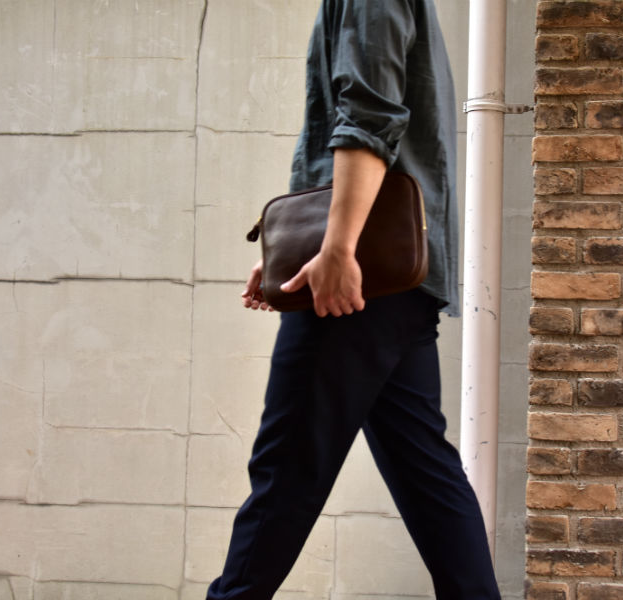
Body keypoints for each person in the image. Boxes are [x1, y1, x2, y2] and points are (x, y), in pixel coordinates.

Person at [206, 1, 501, 598]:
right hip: (392, 277)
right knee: (426, 475)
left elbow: (369, 118)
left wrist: (337, 249)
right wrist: (305, 247)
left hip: (360, 282)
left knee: (286, 470)